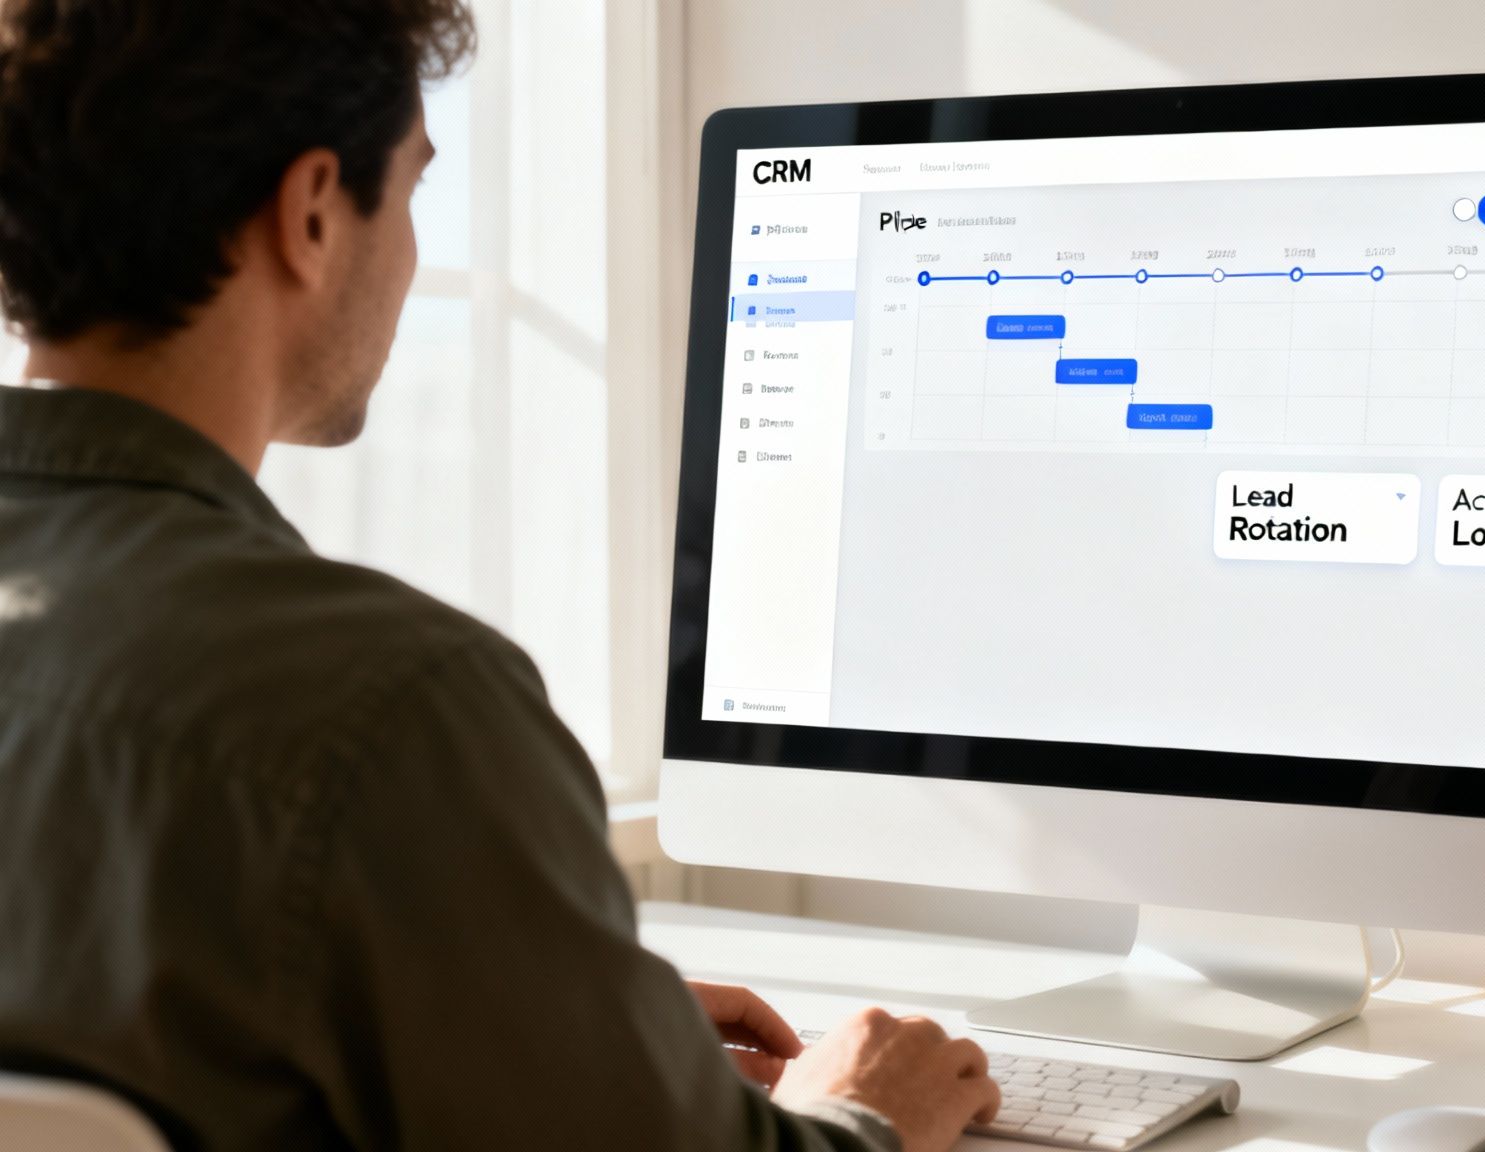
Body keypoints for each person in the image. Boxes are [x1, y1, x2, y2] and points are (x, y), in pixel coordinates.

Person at [0, 2, 998, 1150]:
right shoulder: (394, 711)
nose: (412, 252)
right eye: (412, 190)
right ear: (312, 212)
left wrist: (550, 1021)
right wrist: (864, 1111)